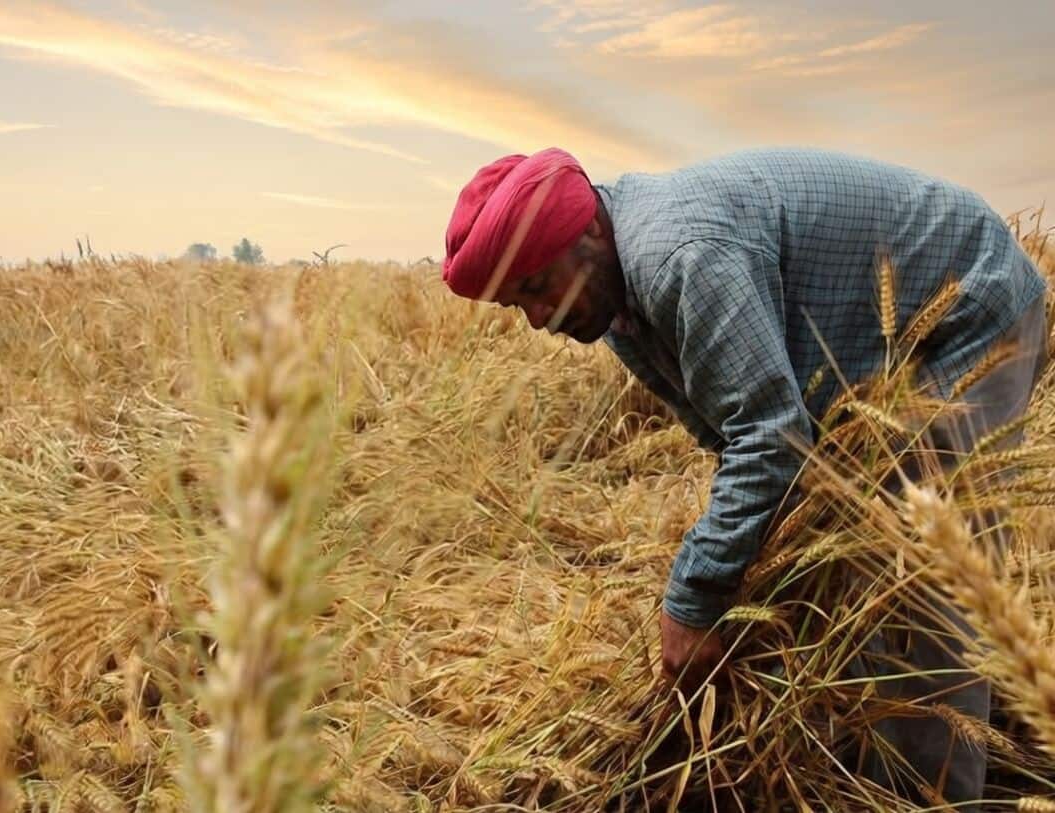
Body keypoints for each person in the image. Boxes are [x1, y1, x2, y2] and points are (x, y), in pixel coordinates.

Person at [439, 147, 1047, 804]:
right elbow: (727, 427)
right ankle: (872, 768)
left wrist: (695, 593)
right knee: (839, 570)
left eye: (535, 286)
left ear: (587, 230)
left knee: (918, 586)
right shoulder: (610, 295)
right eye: (515, 304)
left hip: (967, 314)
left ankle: (933, 799)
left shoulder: (677, 255)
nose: (537, 319)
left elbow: (770, 432)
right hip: (879, 352)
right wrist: (753, 566)